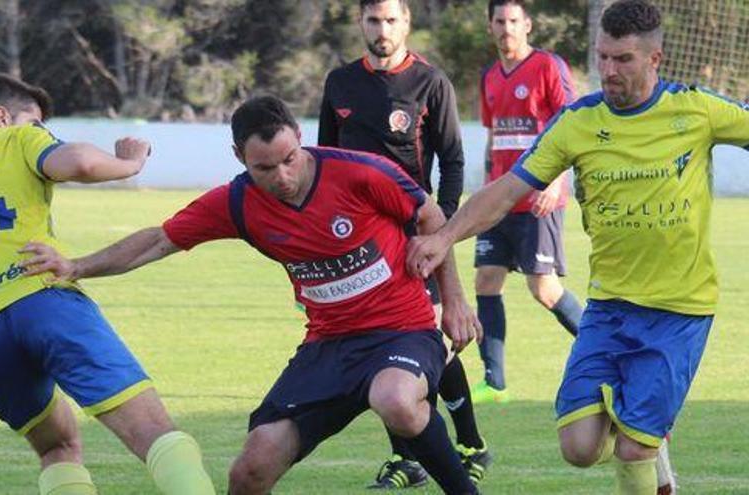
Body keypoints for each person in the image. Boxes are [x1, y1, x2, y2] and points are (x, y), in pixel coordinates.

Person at [21, 95, 483, 495]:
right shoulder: (237, 202)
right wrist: (77, 266)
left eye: (289, 159)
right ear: (239, 156)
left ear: (298, 139)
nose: (283, 175)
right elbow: (159, 240)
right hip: (327, 345)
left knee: (397, 399)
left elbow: (430, 218)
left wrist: (455, 302)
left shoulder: (358, 172)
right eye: (265, 167)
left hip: (401, 330)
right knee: (251, 469)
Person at [406, 0, 749, 493]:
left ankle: (646, 441)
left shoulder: (695, 110)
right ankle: (645, 431)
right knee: (579, 447)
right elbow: (505, 193)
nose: (608, 70)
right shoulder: (578, 122)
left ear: (654, 59)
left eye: (623, 59)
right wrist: (442, 237)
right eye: (603, 57)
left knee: (633, 449)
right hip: (609, 308)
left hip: (679, 309)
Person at [0, 73, 214, 495]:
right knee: (154, 432)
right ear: (1, 116)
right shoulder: (18, 140)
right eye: (36, 123)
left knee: (58, 447)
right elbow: (80, 163)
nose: (43, 133)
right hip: (42, 298)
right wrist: (130, 163)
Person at [318, 0, 490, 487]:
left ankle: (470, 442)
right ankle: (408, 457)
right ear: (361, 24)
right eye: (374, 20)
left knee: (428, 341)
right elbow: (324, 158)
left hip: (416, 236)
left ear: (407, 24)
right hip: (356, 243)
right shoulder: (339, 83)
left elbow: (453, 161)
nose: (382, 29)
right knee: (381, 344)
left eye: (391, 20)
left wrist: (445, 229)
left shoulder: (430, 83)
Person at [471, 0, 583, 404]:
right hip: (498, 199)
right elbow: (493, 137)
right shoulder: (489, 77)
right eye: (499, 22)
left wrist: (555, 179)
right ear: (490, 27)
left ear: (528, 25)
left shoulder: (548, 67)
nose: (506, 29)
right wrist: (485, 190)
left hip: (538, 198)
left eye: (513, 21)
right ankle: (494, 383)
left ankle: (608, 355)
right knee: (486, 280)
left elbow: (571, 124)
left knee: (545, 289)